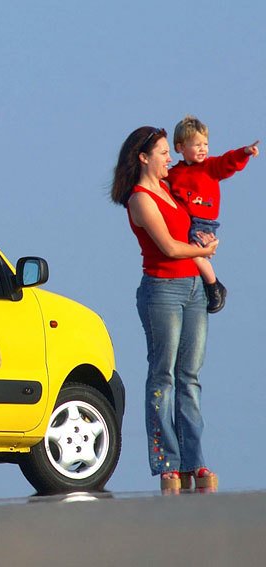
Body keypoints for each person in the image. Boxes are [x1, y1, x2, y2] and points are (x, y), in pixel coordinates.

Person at [110, 126, 220, 492]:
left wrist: (204, 244)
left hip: (193, 289)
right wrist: (203, 251)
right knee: (164, 377)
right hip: (163, 290)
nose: (168, 158)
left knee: (189, 376)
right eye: (162, 152)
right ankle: (167, 463)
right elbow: (170, 248)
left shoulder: (171, 190)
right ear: (143, 157)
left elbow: (190, 228)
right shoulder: (140, 199)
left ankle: (195, 460)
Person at [168, 115, 259, 313]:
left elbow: (228, 162)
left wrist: (244, 152)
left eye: (205, 144)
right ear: (180, 148)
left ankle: (214, 286)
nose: (203, 149)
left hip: (203, 222)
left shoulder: (210, 167)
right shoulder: (174, 173)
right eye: (196, 144)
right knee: (182, 251)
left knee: (195, 252)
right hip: (186, 221)